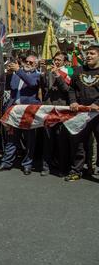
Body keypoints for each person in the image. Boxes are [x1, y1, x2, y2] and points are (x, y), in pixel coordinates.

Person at [0, 55, 41, 175]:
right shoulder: (17, 74)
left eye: (31, 63)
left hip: (28, 110)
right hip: (15, 109)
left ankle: (27, 164)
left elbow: (32, 83)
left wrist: (18, 71)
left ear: (36, 64)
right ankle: (6, 162)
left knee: (29, 139)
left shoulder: (37, 75)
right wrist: (9, 73)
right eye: (26, 61)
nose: (28, 64)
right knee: (12, 138)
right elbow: (7, 86)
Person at [65, 43, 99, 181]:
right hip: (81, 114)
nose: (88, 56)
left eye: (92, 53)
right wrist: (73, 101)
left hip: (97, 114)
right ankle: (76, 171)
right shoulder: (78, 70)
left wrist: (97, 104)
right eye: (88, 53)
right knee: (78, 143)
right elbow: (71, 89)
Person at [39, 52, 70, 176]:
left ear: (65, 62)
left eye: (59, 60)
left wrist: (58, 76)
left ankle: (62, 168)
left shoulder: (68, 73)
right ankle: (46, 167)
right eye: (55, 59)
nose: (56, 62)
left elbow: (67, 90)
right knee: (47, 139)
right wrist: (42, 71)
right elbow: (43, 86)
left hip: (61, 109)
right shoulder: (49, 71)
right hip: (48, 108)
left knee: (61, 140)